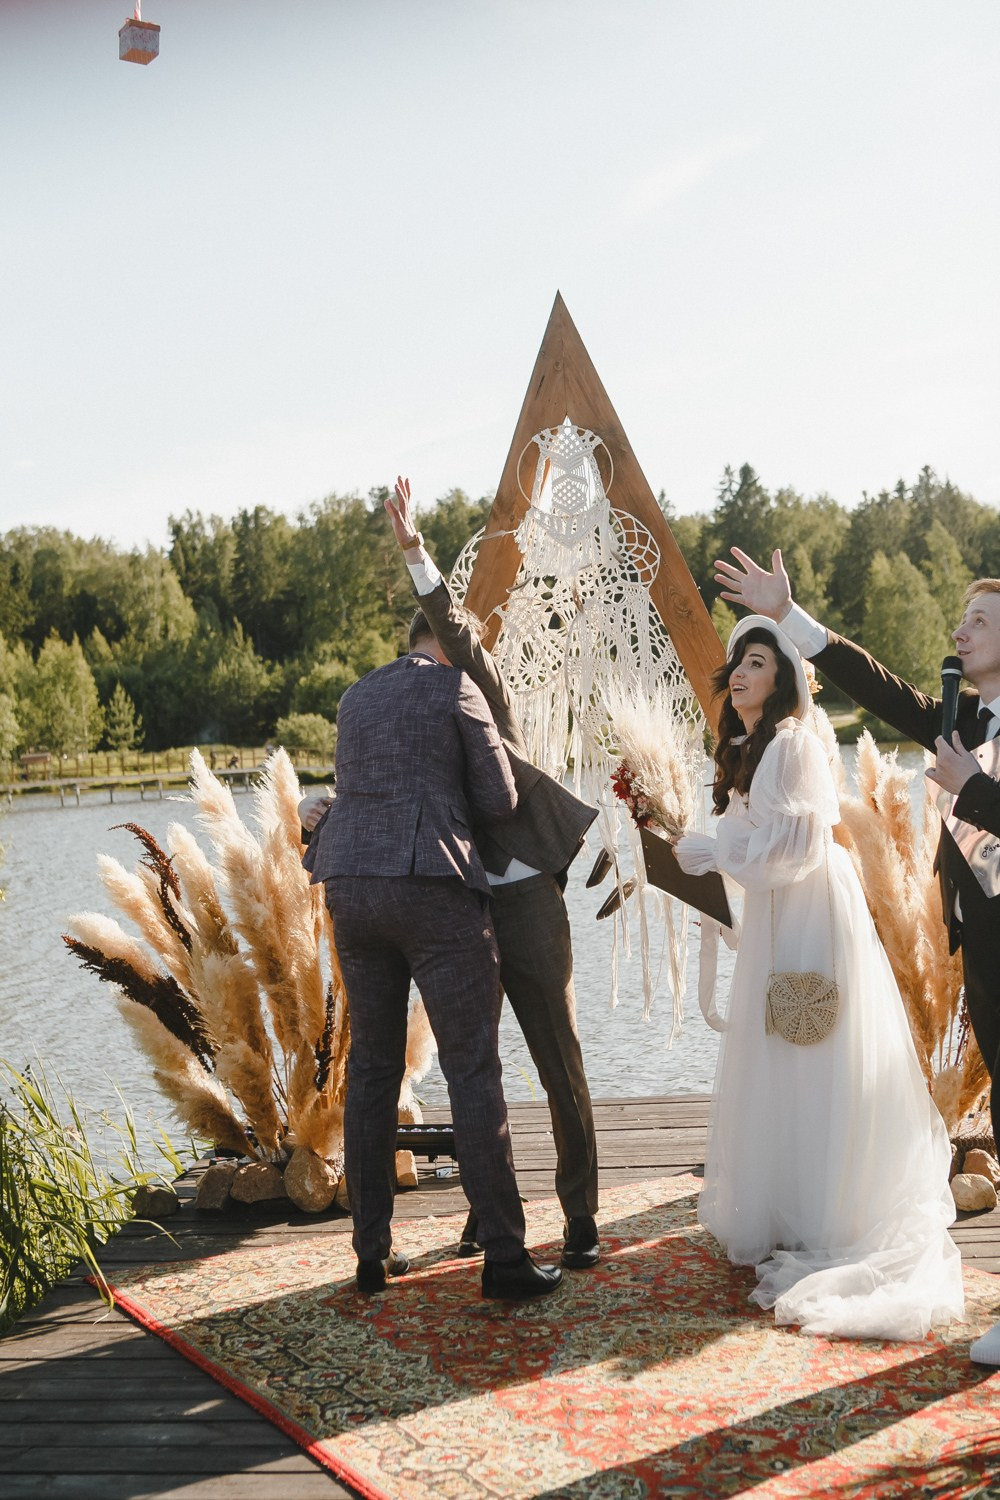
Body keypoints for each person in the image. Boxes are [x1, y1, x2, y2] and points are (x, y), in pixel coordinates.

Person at [714, 550, 1000, 1360]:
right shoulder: (970, 720)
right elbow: (882, 690)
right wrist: (791, 615)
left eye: (978, 621)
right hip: (987, 940)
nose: (959, 630)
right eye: (962, 618)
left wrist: (973, 791)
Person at [673, 615, 963, 1339]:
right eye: (738, 661)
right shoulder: (750, 746)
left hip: (808, 909)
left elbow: (799, 845)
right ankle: (794, 1202)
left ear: (785, 680)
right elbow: (764, 841)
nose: (741, 671)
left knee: (811, 1039)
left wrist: (716, 852)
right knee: (782, 1050)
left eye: (760, 662)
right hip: (781, 909)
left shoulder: (796, 743)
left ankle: (832, 1211)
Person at [300, 619, 563, 1302]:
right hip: (432, 888)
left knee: (372, 1068)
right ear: (450, 643)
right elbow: (500, 799)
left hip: (351, 885)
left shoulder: (357, 696)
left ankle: (371, 1253)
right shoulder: (459, 690)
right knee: (471, 1066)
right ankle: (504, 1256)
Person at [383, 476, 602, 1270]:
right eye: (418, 664)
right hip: (460, 917)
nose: (429, 679)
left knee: (559, 1063)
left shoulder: (484, 694)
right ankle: (491, 1216)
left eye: (438, 661)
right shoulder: (412, 722)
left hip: (528, 904)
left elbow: (456, 629)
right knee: (476, 1072)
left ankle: (581, 1216)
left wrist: (414, 551)